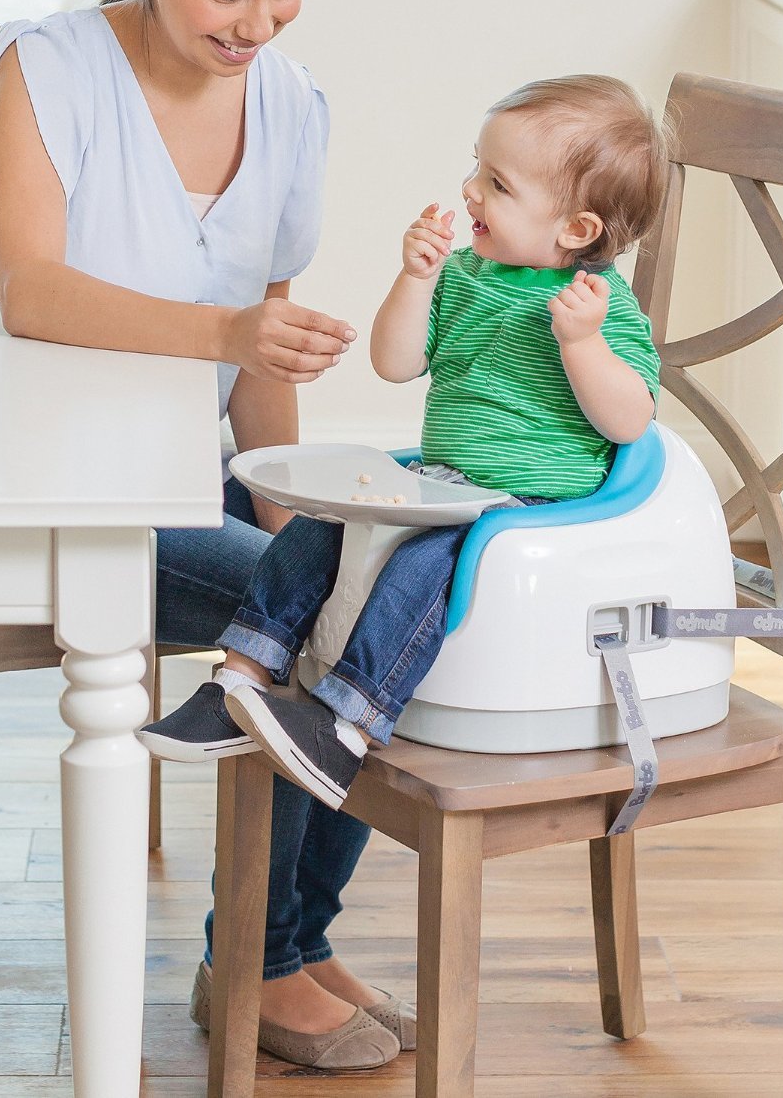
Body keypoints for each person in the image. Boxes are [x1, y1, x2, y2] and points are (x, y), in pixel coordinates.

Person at [0, 0, 406, 1071]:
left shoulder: (293, 104)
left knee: (382, 582)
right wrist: (230, 334)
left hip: (179, 467)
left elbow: (258, 364)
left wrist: (290, 516)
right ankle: (252, 968)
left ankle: (295, 943)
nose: (257, 25)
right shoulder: (45, 70)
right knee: (328, 612)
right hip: (46, 484)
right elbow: (35, 292)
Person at [140, 75, 665, 813]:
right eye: (477, 168)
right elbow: (396, 362)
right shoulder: (466, 277)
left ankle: (347, 724)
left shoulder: (598, 310)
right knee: (326, 522)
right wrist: (415, 280)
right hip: (447, 481)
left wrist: (580, 344)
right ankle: (240, 676)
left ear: (575, 230)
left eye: (497, 184)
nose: (470, 190)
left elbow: (630, 420)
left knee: (418, 566)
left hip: (522, 505)